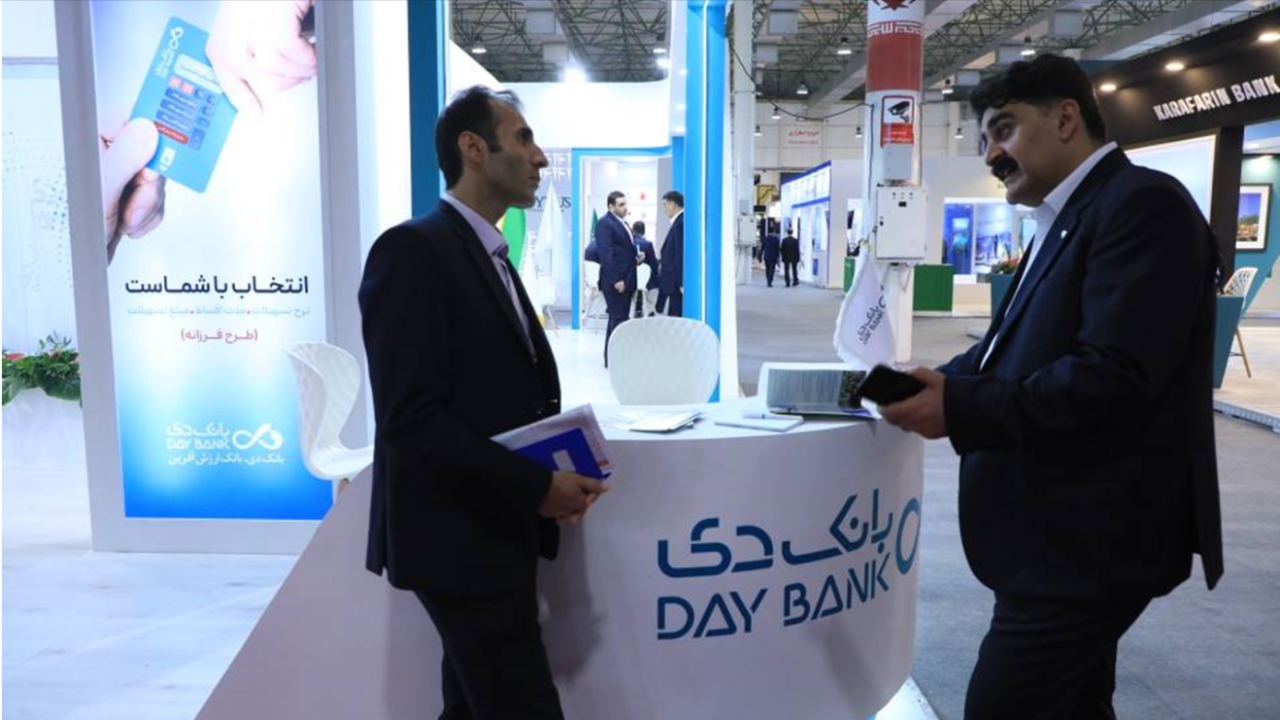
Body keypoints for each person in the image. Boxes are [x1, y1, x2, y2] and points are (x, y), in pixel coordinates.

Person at [877, 54, 1222, 720]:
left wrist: (957, 406)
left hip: (1089, 547)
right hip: (1054, 539)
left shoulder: (1141, 205)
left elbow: (1114, 374)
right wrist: (932, 382)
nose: (991, 154)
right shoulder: (1068, 215)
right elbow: (1011, 349)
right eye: (984, 139)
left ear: (1066, 118)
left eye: (1004, 130)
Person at [358, 85, 609, 720]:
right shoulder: (413, 251)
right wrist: (536, 487)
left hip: (493, 528)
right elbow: (411, 421)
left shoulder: (487, 252)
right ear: (473, 148)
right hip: (456, 540)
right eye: (523, 138)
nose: (540, 157)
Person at [595, 191, 637, 365]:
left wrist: (636, 257)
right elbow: (606, 254)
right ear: (611, 206)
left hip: (626, 278)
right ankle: (615, 360)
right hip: (616, 281)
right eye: (621, 205)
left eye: (625, 203)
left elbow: (623, 251)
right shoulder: (605, 223)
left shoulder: (623, 223)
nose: (625, 207)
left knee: (618, 318)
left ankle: (612, 358)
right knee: (618, 320)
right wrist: (616, 280)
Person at [657, 190, 684, 316]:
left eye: (665, 205)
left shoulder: (680, 224)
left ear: (672, 205)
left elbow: (680, 255)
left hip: (675, 284)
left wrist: (681, 282)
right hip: (673, 283)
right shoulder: (678, 222)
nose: (664, 209)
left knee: (676, 316)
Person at [632, 220, 659, 317]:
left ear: (633, 230)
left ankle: (636, 308)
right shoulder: (648, 244)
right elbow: (653, 264)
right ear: (644, 232)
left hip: (631, 280)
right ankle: (649, 310)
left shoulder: (628, 243)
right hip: (645, 281)